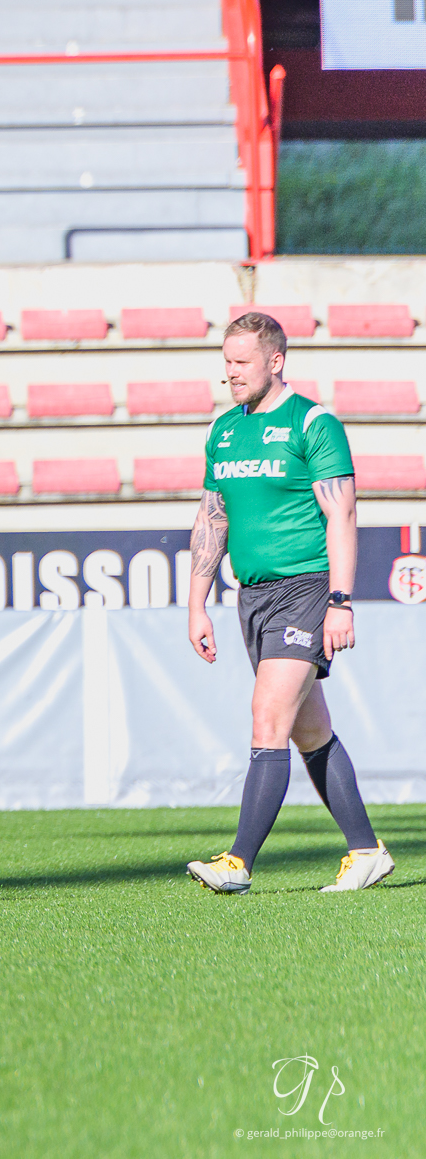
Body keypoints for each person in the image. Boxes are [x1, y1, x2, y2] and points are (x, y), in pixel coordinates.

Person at [186, 313, 392, 895]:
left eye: (242, 361)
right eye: (226, 362)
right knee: (310, 731)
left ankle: (238, 863)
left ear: (275, 361)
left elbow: (342, 515)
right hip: (251, 596)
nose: (231, 372)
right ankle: (366, 851)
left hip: (304, 589)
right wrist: (197, 604)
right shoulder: (223, 429)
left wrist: (341, 601)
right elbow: (212, 517)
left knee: (267, 717)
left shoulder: (313, 423)